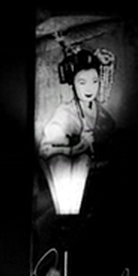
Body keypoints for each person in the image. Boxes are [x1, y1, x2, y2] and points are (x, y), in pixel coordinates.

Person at [37, 48, 116, 217]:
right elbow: (45, 150)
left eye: (94, 81)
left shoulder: (100, 111)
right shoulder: (65, 113)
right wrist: (77, 148)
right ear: (73, 84)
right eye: (82, 82)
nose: (90, 88)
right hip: (73, 187)